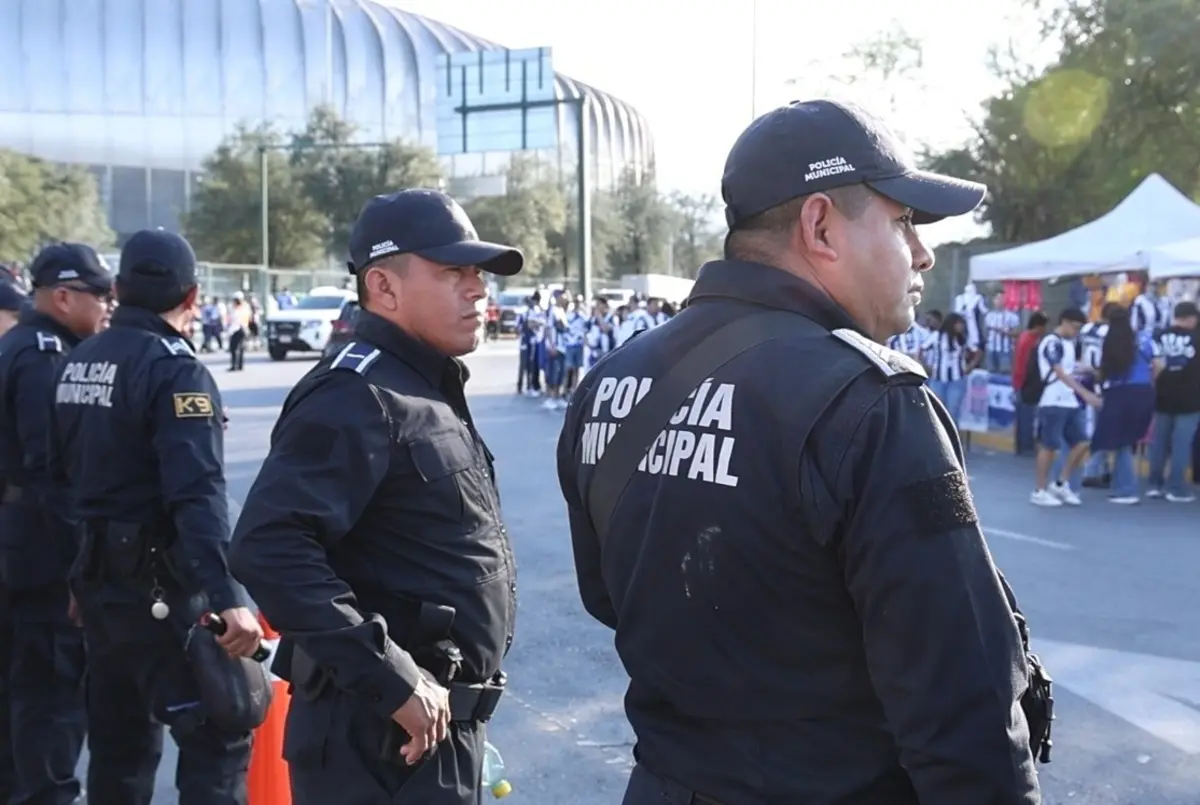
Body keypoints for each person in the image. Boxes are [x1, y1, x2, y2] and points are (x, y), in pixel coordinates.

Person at [557, 99, 1045, 805]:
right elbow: (961, 705)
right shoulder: (870, 401)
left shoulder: (610, 382)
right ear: (820, 227)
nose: (923, 252)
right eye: (903, 219)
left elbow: (611, 594)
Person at [229, 188, 522, 805]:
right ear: (384, 288)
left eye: (477, 274)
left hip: (427, 733)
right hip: (377, 740)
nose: (477, 289)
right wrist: (391, 677)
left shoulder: (421, 383)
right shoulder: (355, 394)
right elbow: (268, 545)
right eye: (452, 272)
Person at [49, 229, 263, 805]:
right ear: (192, 297)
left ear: (117, 289)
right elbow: (197, 495)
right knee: (219, 733)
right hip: (161, 590)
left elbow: (63, 478)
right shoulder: (177, 372)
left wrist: (78, 575)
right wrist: (228, 597)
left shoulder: (79, 361)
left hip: (98, 584)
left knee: (119, 744)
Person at [0, 243, 111, 804]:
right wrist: (79, 569)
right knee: (50, 695)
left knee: (20, 694)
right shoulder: (45, 356)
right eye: (99, 295)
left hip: (17, 544)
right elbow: (54, 473)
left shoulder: (18, 345)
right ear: (63, 297)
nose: (108, 306)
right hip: (39, 554)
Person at [1031, 308, 1101, 507]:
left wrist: (1085, 369)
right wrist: (1084, 393)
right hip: (1053, 399)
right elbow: (1059, 372)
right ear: (1065, 322)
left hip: (1068, 400)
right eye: (1075, 327)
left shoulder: (1069, 344)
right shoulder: (1051, 342)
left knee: (1082, 442)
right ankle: (1040, 489)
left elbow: (1069, 368)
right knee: (1049, 446)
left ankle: (1061, 482)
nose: (1076, 332)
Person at [1148, 301, 1200, 501]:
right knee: (1181, 444)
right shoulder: (1197, 337)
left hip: (1162, 395)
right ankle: (1176, 487)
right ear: (1189, 318)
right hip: (1190, 398)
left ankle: (1154, 484)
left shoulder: (1158, 336)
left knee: (1159, 442)